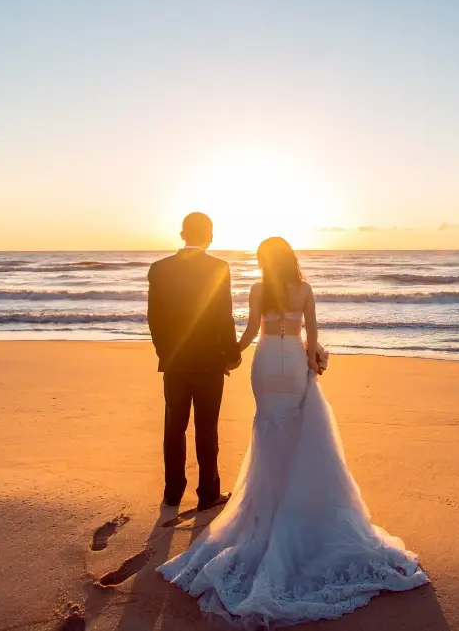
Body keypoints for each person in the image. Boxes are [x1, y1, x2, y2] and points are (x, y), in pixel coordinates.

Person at [158, 237, 428, 627]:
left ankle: (269, 504)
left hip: (266, 362)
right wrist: (314, 363)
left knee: (268, 435)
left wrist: (230, 354)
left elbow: (251, 330)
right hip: (292, 366)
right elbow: (312, 335)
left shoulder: (258, 289)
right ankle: (297, 502)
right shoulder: (304, 290)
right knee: (299, 433)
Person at [147, 212, 241, 511]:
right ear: (209, 235)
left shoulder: (159, 269)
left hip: (174, 362)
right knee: (206, 427)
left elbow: (154, 318)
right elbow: (223, 317)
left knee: (174, 427)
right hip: (209, 363)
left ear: (182, 233)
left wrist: (165, 353)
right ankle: (208, 493)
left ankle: (173, 492)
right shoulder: (218, 268)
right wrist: (231, 355)